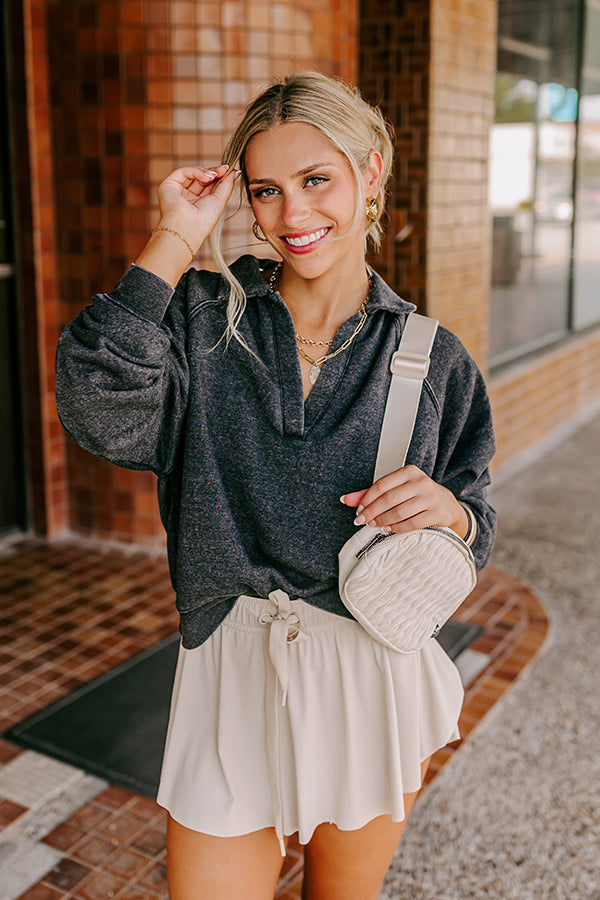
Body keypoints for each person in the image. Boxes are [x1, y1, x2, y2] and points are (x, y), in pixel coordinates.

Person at [55, 71, 496, 900]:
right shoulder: (202, 319)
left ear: (369, 173)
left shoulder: (434, 359)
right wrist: (174, 236)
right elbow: (97, 405)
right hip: (229, 666)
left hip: (368, 674)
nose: (292, 216)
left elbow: (475, 510)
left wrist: (457, 517)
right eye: (266, 191)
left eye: (316, 180)